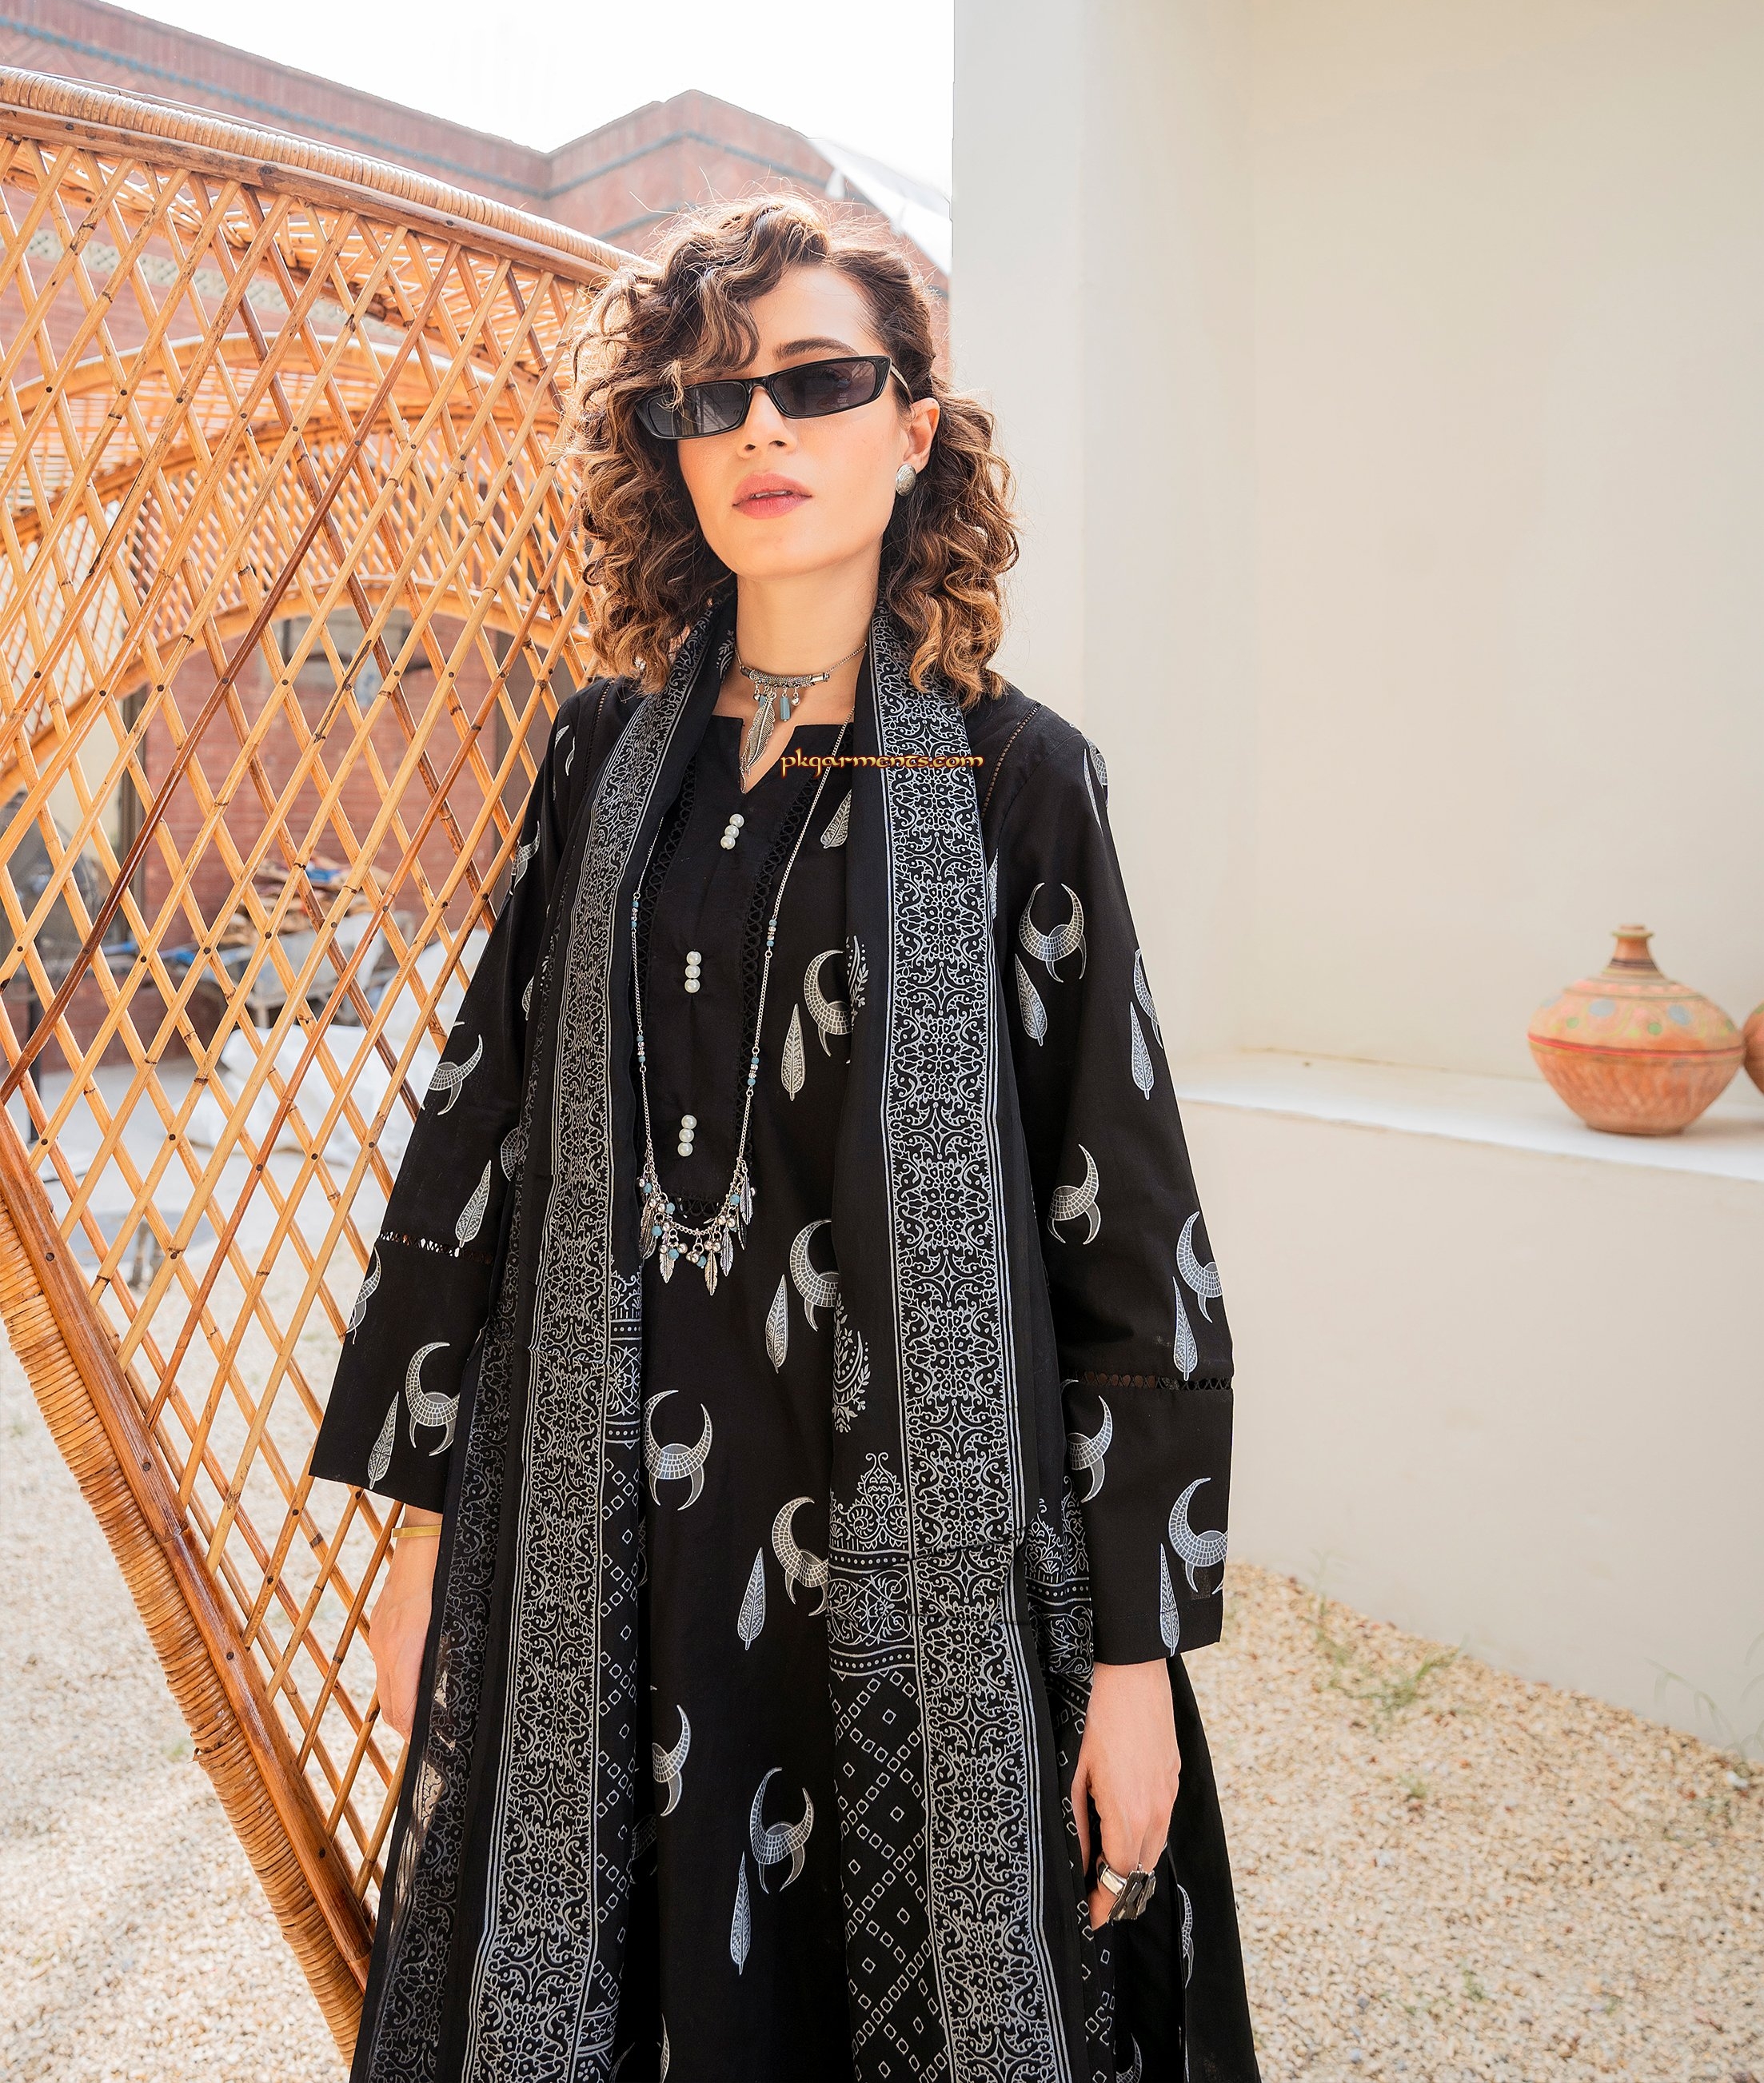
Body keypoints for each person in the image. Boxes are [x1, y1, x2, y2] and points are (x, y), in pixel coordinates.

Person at [309, 194, 1259, 2083]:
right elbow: (479, 1134)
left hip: (911, 1564)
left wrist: (1133, 1665)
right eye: (711, 394)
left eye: (817, 382)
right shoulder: (600, 757)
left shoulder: (1012, 778)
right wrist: (420, 1550)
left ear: (911, 428)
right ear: (665, 447)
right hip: (596, 1552)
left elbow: (1124, 1218)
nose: (760, 426)